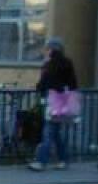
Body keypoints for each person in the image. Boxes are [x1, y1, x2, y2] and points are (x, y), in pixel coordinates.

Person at [28, 36, 79, 172]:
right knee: (55, 133)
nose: (46, 50)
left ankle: (40, 162)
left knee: (48, 132)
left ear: (51, 49)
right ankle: (63, 160)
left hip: (52, 102)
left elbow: (44, 83)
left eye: (47, 48)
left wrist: (40, 88)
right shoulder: (68, 62)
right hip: (63, 102)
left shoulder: (49, 64)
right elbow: (73, 83)